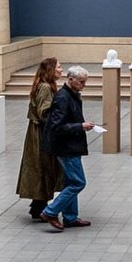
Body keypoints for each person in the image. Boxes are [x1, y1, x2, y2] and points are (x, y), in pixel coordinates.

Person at [41, 65, 97, 230]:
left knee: (70, 181)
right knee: (78, 182)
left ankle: (70, 217)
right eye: (81, 82)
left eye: (84, 82)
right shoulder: (63, 98)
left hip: (69, 145)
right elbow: (56, 126)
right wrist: (80, 126)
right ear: (70, 79)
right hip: (66, 147)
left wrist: (81, 125)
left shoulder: (71, 95)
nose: (83, 85)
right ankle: (51, 211)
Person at [16, 58, 64, 221]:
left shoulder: (45, 85)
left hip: (39, 132)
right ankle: (40, 206)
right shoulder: (45, 87)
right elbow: (45, 113)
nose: (61, 70)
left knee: (41, 167)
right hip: (41, 134)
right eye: (58, 67)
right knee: (42, 166)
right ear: (51, 69)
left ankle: (38, 204)